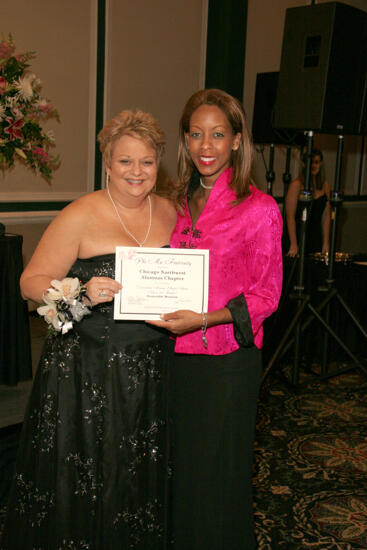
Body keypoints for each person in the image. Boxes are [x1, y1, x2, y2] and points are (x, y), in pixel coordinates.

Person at [1, 110, 177, 550]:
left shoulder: (173, 212)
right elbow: (29, 282)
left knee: (139, 467)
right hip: (87, 370)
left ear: (159, 164)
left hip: (154, 365)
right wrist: (80, 294)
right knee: (91, 470)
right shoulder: (81, 213)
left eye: (147, 162)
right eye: (125, 162)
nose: (137, 172)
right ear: (107, 163)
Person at [149, 89, 283, 549]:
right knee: (181, 468)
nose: (207, 146)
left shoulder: (260, 208)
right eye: (196, 134)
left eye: (218, 134)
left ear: (237, 141)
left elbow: (266, 295)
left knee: (219, 473)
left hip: (227, 362)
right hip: (176, 358)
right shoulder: (175, 204)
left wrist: (205, 319)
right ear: (186, 141)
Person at [285, 148, 331, 257]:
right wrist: (294, 244)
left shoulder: (325, 186)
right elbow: (290, 216)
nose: (314, 166)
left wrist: (326, 242)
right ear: (305, 164)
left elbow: (326, 217)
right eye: (311, 163)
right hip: (298, 235)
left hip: (315, 237)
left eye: (316, 162)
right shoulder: (296, 185)